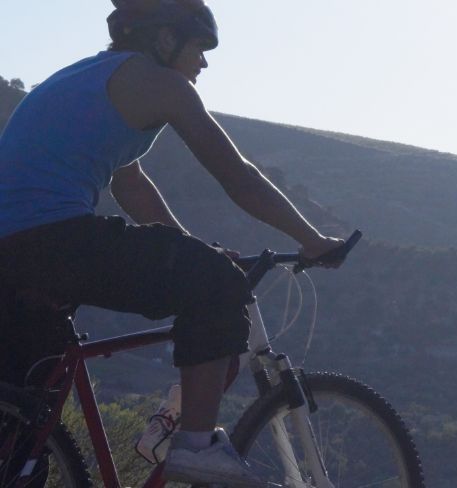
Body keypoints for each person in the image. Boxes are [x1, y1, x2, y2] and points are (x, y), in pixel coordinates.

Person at [0, 0, 347, 485]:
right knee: (219, 287)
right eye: (199, 47)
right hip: (54, 238)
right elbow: (238, 177)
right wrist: (312, 241)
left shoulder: (91, 78)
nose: (204, 61)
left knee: (23, 420)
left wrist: (188, 246)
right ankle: (197, 446)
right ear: (165, 40)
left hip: (13, 250)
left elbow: (131, 185)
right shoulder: (161, 84)